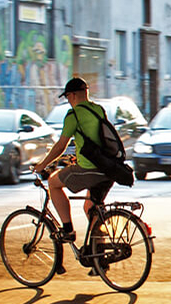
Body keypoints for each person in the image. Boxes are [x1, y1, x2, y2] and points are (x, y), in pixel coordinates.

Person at [36, 77, 114, 243]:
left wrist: (43, 164)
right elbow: (96, 139)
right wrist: (77, 157)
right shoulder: (98, 110)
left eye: (67, 97)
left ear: (71, 95)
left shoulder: (73, 115)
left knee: (53, 183)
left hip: (89, 169)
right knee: (92, 209)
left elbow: (60, 146)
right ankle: (98, 259)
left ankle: (68, 230)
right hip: (108, 168)